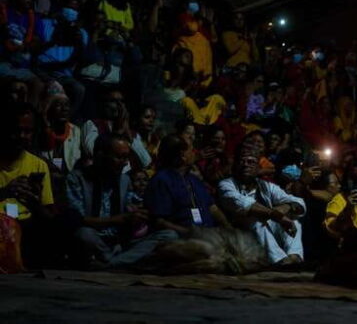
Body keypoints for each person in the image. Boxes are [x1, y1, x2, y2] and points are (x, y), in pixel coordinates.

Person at [65, 134, 177, 268]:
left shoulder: (124, 180)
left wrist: (138, 214)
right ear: (100, 156)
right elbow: (77, 220)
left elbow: (132, 207)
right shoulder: (77, 179)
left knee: (169, 235)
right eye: (119, 157)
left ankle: (111, 263)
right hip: (96, 240)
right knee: (83, 234)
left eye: (126, 158)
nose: (124, 162)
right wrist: (116, 220)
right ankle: (122, 261)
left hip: (120, 242)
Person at [217, 142, 305, 266]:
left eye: (251, 162)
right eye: (242, 161)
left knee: (294, 220)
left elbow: (299, 203)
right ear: (235, 165)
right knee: (256, 221)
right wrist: (277, 215)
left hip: (263, 235)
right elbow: (245, 204)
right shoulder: (226, 184)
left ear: (258, 168)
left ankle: (294, 257)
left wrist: (286, 207)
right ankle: (280, 261)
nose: (246, 165)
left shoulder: (265, 185)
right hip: (238, 233)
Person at [0, 102, 56, 265]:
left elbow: (49, 215)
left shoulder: (39, 165)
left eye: (28, 132)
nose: (22, 136)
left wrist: (34, 203)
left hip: (25, 225)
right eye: (17, 131)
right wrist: (6, 192)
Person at [144, 134, 230, 236]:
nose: (195, 153)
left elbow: (212, 208)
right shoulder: (162, 181)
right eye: (191, 150)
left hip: (208, 235)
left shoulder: (193, 179)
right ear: (183, 155)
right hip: (182, 240)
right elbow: (159, 222)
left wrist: (229, 228)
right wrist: (189, 233)